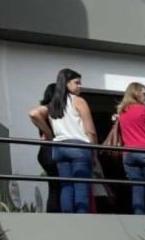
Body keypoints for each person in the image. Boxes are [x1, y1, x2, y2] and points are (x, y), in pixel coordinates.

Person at [29, 68, 96, 213]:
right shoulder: (79, 101)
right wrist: (94, 150)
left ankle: (68, 220)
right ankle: (82, 221)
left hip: (59, 148)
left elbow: (34, 113)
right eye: (77, 82)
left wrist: (50, 135)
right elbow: (90, 130)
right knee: (81, 186)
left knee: (66, 187)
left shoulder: (54, 104)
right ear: (66, 83)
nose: (80, 86)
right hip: (79, 147)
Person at [117, 82, 145, 215]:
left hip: (128, 155)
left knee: (137, 189)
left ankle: (138, 220)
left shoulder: (122, 112)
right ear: (135, 93)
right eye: (144, 93)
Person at [34, 83, 61, 213]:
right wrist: (50, 135)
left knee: (54, 187)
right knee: (59, 187)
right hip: (51, 151)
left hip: (44, 151)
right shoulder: (50, 109)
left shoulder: (46, 110)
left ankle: (54, 217)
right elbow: (34, 114)